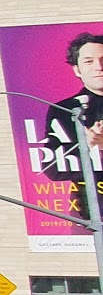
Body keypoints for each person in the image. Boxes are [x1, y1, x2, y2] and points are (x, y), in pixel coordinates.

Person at [44, 32, 103, 217]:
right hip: (92, 213)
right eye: (89, 62)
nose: (99, 67)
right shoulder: (64, 110)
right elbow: (52, 169)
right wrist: (88, 147)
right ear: (77, 70)